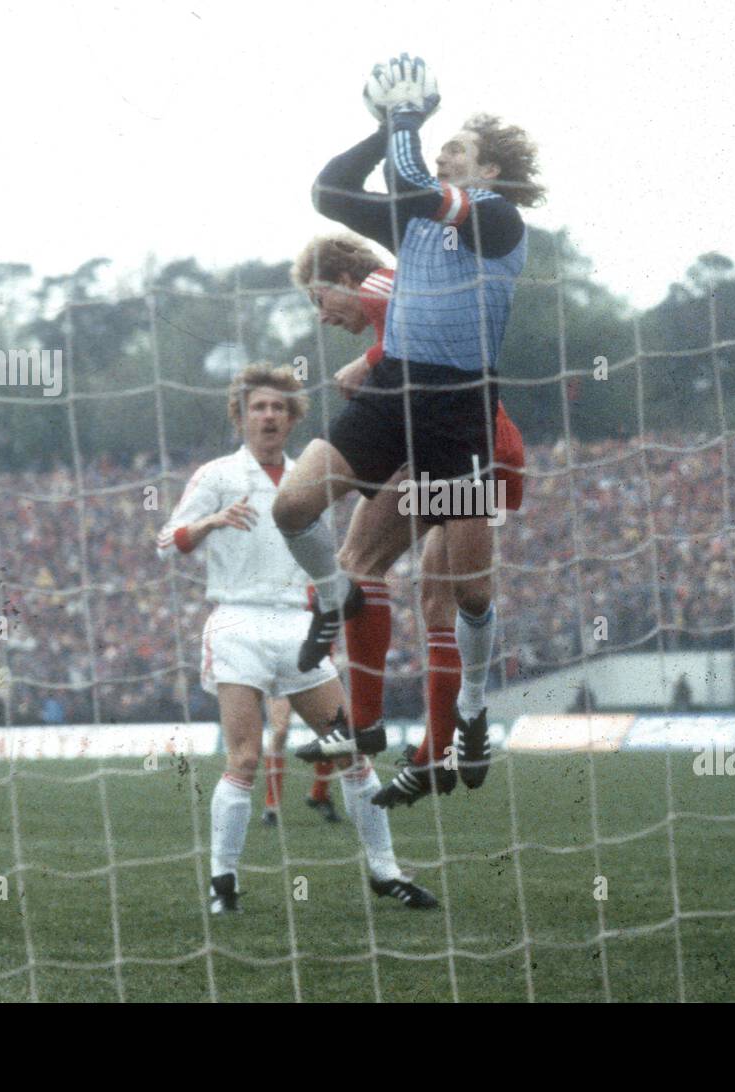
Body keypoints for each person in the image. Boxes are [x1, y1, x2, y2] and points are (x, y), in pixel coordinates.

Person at [273, 55, 544, 797]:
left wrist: (403, 121)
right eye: (440, 139)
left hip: (462, 418)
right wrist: (380, 130)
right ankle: (342, 630)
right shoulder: (414, 221)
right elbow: (329, 190)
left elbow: (416, 185)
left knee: (467, 593)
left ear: (489, 169)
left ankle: (472, 713)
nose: (443, 147)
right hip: (396, 398)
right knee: (294, 508)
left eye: (458, 145)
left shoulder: (495, 217)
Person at [157, 363, 436, 913]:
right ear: (240, 415)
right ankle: (224, 882)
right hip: (237, 624)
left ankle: (385, 871)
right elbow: (168, 540)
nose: (269, 415)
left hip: (301, 628)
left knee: (353, 753)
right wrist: (211, 522)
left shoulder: (311, 475)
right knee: (243, 758)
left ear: (292, 418)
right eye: (258, 406)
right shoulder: (216, 475)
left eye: (279, 408)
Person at [289, 231, 526, 805]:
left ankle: (363, 724)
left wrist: (369, 359)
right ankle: (439, 751)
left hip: (457, 447)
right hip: (490, 447)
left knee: (357, 563)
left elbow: (406, 301)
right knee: (446, 602)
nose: (322, 317)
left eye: (320, 301)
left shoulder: (378, 280)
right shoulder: (401, 304)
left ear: (343, 277)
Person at [260, 696, 340, 826]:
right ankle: (271, 805)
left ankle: (319, 794)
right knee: (280, 731)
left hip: (310, 677)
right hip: (280, 678)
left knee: (329, 731)